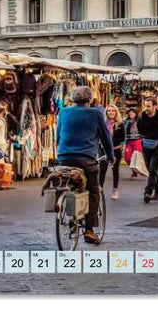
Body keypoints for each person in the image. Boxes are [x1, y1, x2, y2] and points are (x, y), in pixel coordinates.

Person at [55, 86, 113, 245]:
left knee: (69, 183)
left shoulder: (63, 112)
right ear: (90, 99)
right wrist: (111, 156)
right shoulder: (96, 113)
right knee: (93, 191)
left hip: (64, 158)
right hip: (86, 160)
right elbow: (105, 137)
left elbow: (58, 137)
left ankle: (68, 210)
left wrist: (61, 152)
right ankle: (89, 230)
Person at [102, 104, 125, 200]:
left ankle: (115, 190)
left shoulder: (120, 124)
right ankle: (100, 189)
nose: (111, 112)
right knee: (102, 171)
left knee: (115, 171)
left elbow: (122, 138)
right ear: (106, 113)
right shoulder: (103, 123)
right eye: (109, 111)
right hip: (104, 150)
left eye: (113, 110)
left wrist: (111, 141)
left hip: (116, 150)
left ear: (116, 112)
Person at [123, 108, 142, 177]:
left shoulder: (139, 121)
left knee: (136, 158)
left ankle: (135, 171)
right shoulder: (126, 121)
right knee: (127, 158)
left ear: (136, 113)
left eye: (132, 112)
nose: (131, 114)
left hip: (137, 141)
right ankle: (133, 170)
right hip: (128, 141)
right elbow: (123, 132)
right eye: (129, 112)